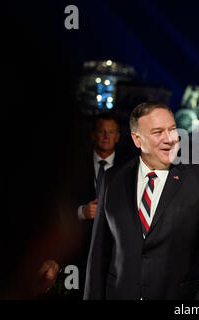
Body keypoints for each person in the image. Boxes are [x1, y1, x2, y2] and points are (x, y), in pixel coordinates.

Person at [84, 101, 199, 300]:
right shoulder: (113, 178)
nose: (170, 139)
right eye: (158, 132)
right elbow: (98, 255)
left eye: (173, 130)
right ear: (137, 140)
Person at [74, 112, 127, 296]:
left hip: (114, 254)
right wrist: (81, 212)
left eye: (111, 132)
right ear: (93, 135)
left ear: (118, 137)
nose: (106, 136)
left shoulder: (129, 169)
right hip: (76, 251)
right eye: (102, 131)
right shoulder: (75, 166)